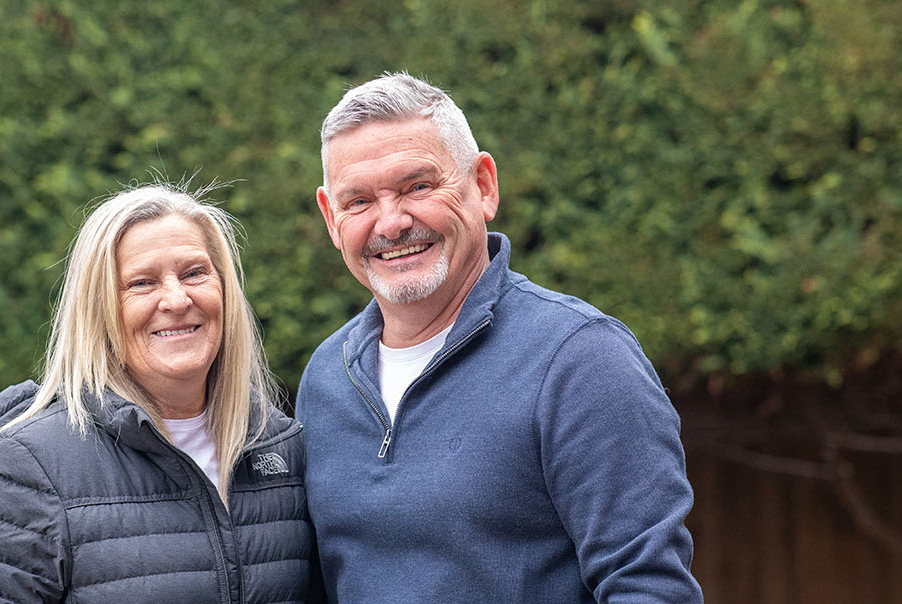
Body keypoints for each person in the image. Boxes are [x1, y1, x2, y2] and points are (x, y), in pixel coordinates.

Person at [296, 72, 701, 603]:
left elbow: (649, 589)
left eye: (418, 186)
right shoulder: (327, 376)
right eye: (359, 202)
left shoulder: (580, 359)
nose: (391, 223)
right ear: (331, 219)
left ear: (483, 185)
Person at [0, 184, 318, 604]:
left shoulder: (281, 446)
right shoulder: (37, 463)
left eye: (194, 273)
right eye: (141, 282)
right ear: (99, 311)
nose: (176, 298)